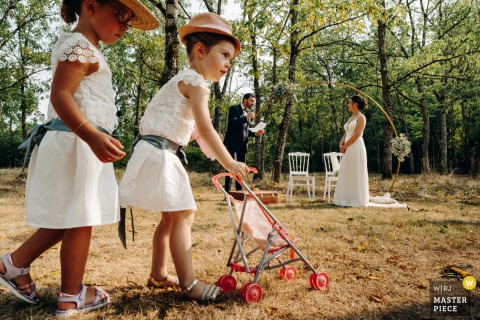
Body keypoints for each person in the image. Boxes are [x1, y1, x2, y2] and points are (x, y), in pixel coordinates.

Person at [0, 0, 159, 317]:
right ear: (91, 6)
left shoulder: (86, 47)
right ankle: (71, 295)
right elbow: (60, 96)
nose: (126, 26)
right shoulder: (80, 46)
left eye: (130, 21)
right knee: (80, 218)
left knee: (72, 216)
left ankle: (13, 265)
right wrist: (92, 135)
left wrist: (95, 135)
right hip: (76, 140)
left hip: (78, 140)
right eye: (121, 16)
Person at [118, 12, 249, 303]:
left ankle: (158, 275)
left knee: (170, 218)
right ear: (201, 50)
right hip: (160, 153)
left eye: (231, 58)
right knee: (183, 214)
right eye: (224, 54)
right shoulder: (195, 83)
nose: (228, 63)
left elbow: (194, 133)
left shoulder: (185, 81)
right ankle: (189, 284)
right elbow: (206, 127)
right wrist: (230, 161)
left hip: (156, 150)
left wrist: (216, 154)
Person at [223, 93, 265, 192]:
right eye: (251, 101)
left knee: (241, 169)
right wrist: (246, 118)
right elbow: (232, 124)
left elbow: (246, 131)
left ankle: (239, 192)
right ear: (245, 100)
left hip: (243, 145)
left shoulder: (248, 113)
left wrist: (256, 133)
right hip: (232, 144)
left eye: (254, 101)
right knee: (231, 168)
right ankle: (227, 193)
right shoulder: (234, 109)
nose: (253, 103)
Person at [333, 95, 370, 207]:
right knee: (347, 171)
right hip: (348, 148)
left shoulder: (361, 117)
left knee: (356, 171)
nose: (348, 105)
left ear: (355, 104)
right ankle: (346, 198)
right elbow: (346, 133)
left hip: (356, 147)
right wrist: (341, 143)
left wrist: (346, 146)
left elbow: (357, 134)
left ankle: (356, 199)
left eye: (350, 103)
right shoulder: (350, 118)